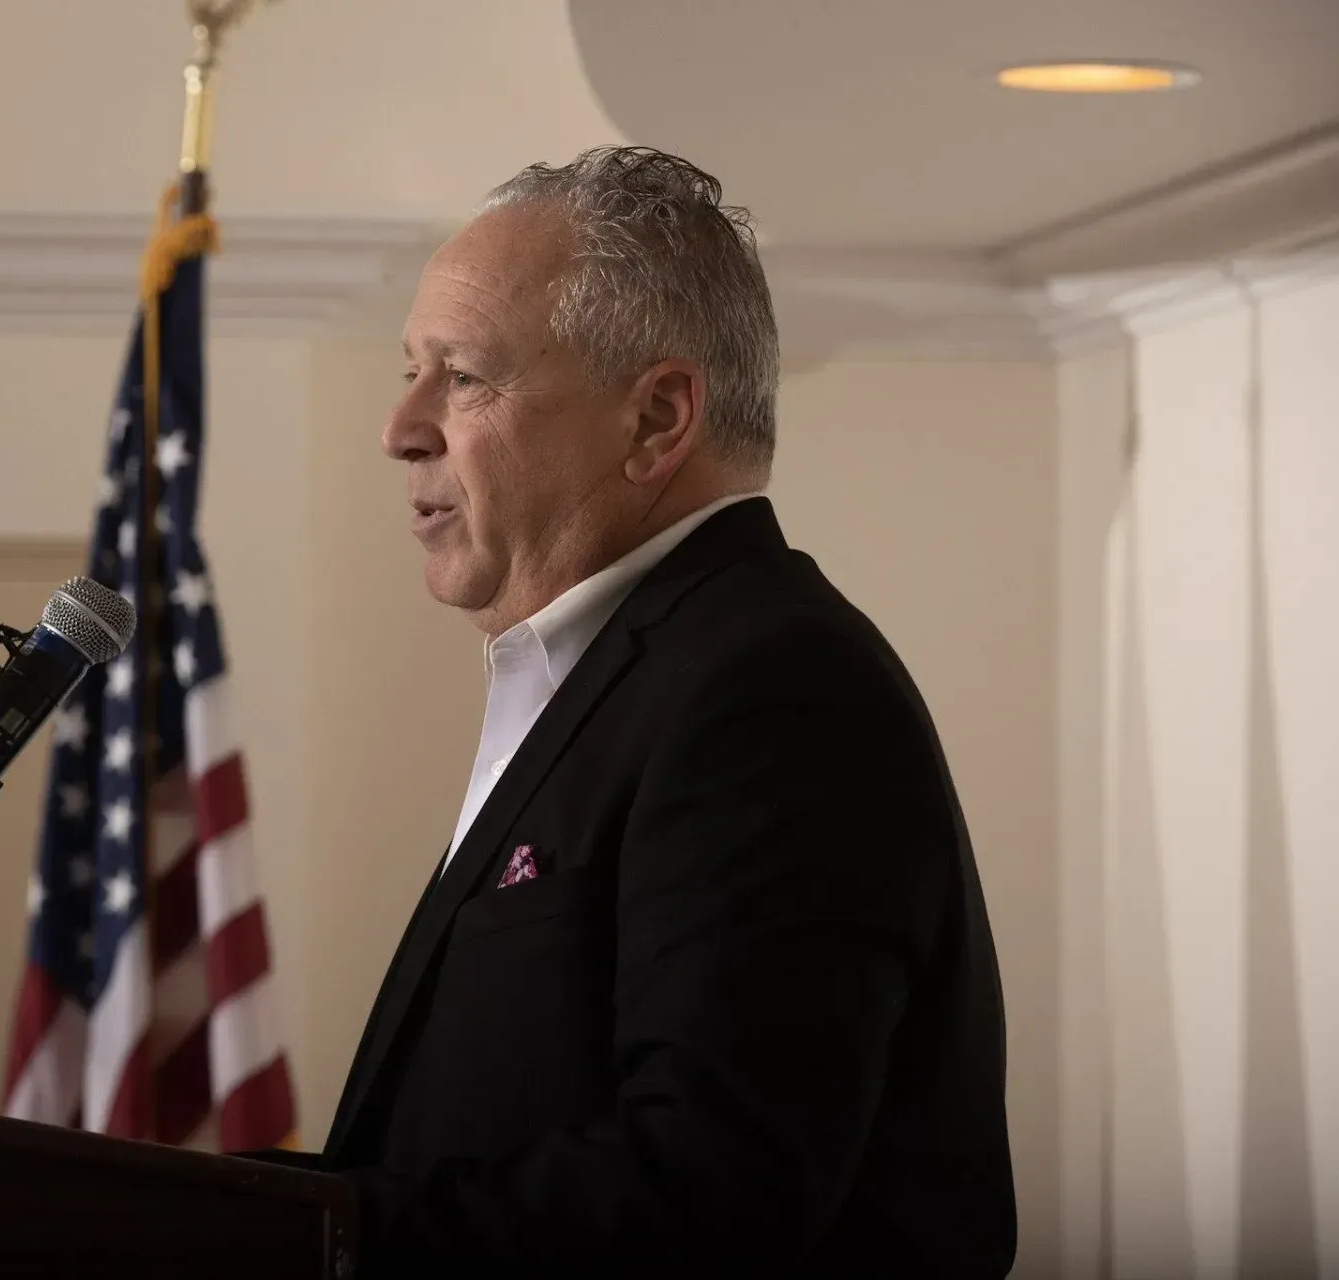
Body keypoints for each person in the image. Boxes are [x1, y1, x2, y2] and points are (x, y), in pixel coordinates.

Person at [262, 145, 1016, 1275]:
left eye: (461, 375)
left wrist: (286, 1236)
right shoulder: (624, 672)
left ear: (657, 418)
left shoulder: (770, 691)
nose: (400, 426)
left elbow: (709, 1194)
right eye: (409, 368)